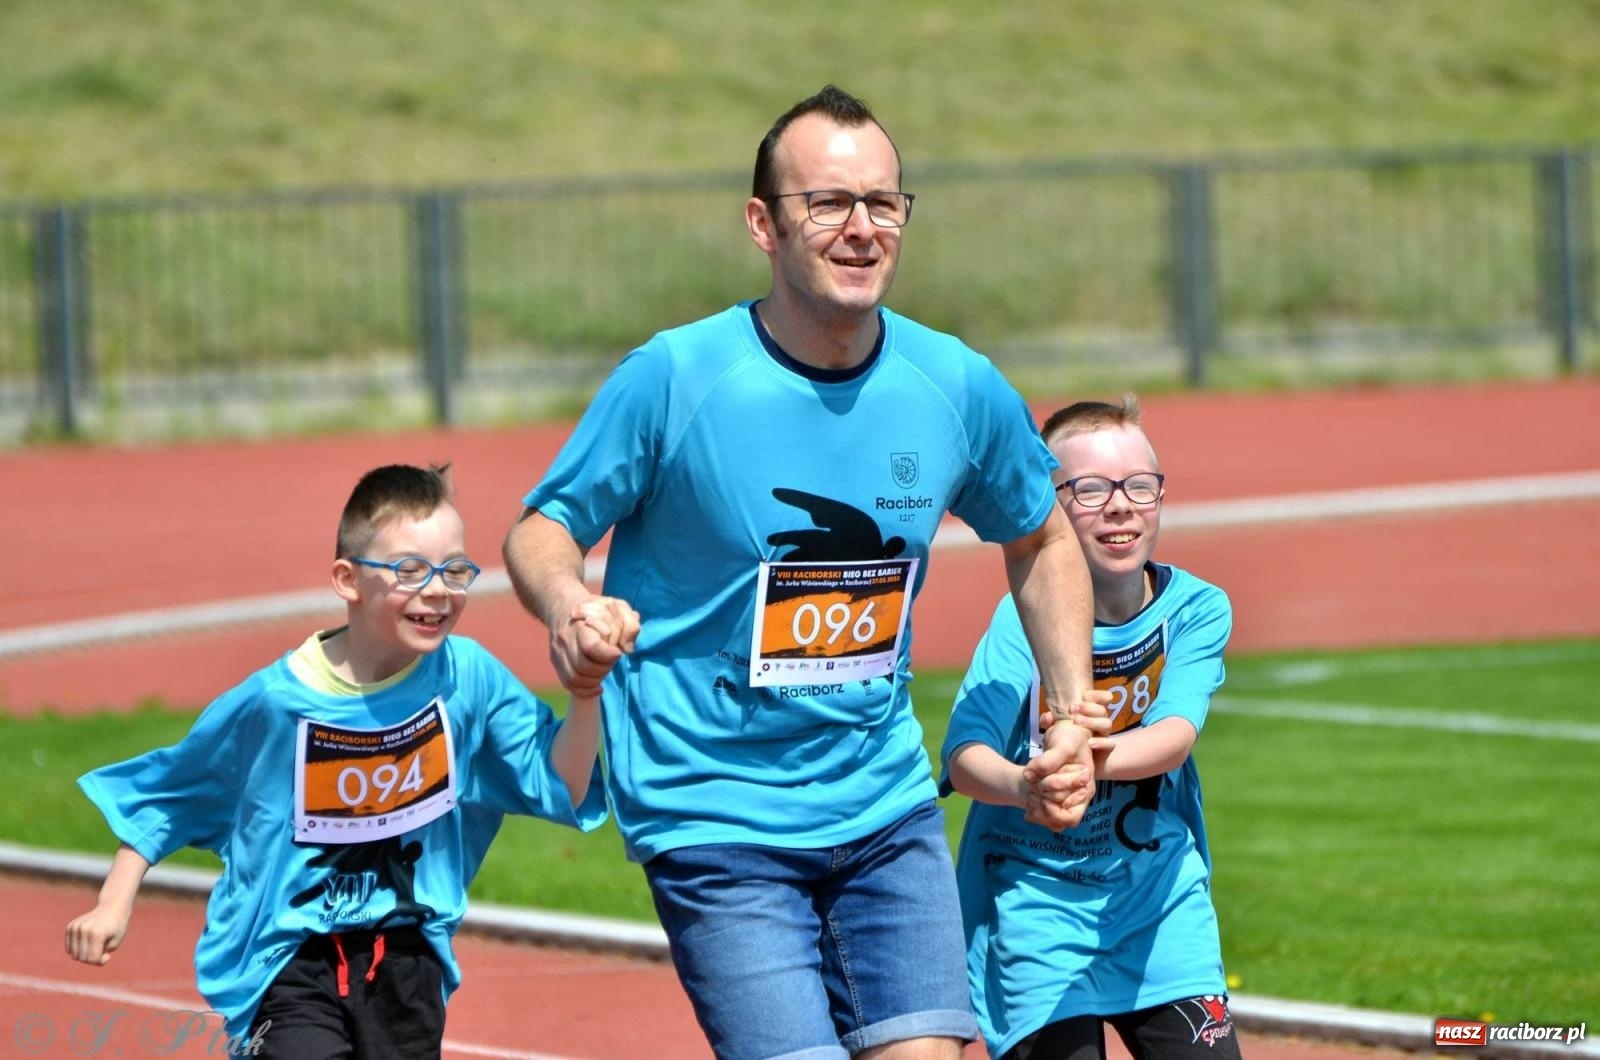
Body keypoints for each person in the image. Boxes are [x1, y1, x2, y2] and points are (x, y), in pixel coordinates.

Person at [502, 84, 1105, 1059]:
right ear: (763, 223)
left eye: (883, 202)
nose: (861, 228)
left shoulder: (952, 384)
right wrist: (570, 601)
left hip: (880, 800)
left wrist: (1071, 715)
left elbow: (1039, 536)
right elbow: (542, 529)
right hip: (712, 803)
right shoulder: (677, 376)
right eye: (827, 202)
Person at [65, 463, 611, 1060]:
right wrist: (114, 900)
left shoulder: (467, 678)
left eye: (454, 571)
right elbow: (170, 793)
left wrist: (586, 693)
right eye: (409, 571)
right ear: (347, 580)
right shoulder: (277, 702)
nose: (437, 590)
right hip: (292, 958)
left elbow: (558, 780)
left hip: (408, 960)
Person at [940, 395, 1241, 1060]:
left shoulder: (1195, 610)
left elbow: (1174, 734)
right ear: (1048, 508)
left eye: (1139, 485)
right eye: (1089, 489)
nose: (1120, 505)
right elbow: (965, 755)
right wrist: (1026, 784)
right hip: (1037, 913)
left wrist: (1083, 757)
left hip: (1158, 904)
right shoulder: (1020, 623)